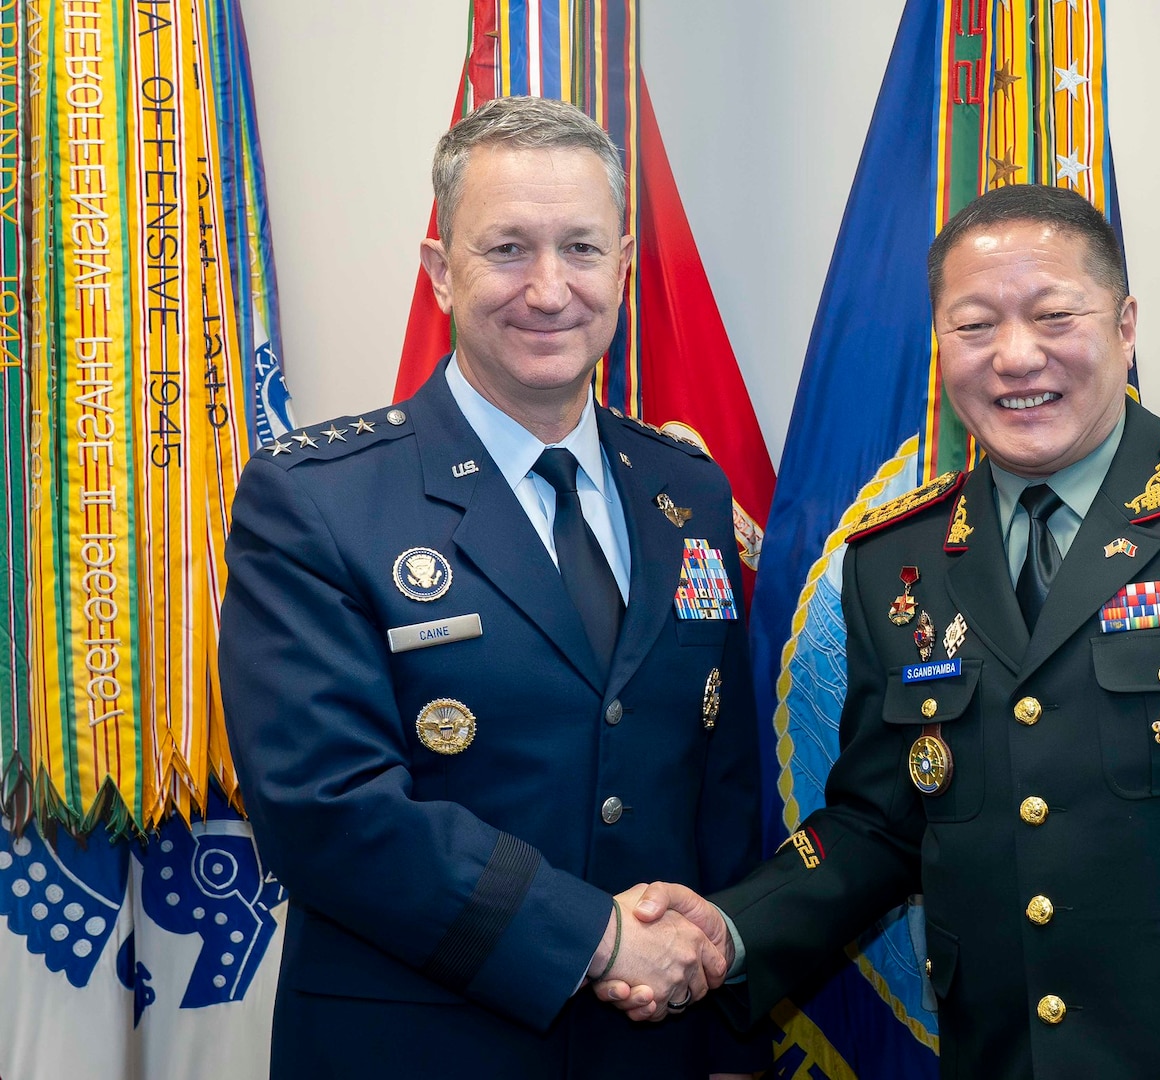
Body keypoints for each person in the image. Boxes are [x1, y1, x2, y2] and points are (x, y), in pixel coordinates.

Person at [602, 183, 1160, 1078]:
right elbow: (880, 825)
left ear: (1125, 326)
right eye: (974, 327)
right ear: (940, 347)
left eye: (1055, 315)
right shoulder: (897, 561)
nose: (1015, 356)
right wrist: (730, 928)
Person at [218, 95, 763, 1080]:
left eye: (583, 249)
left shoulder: (686, 488)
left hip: (653, 1049)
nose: (550, 289)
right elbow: (326, 809)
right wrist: (597, 936)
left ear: (625, 265)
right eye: (508, 248)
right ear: (440, 273)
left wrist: (726, 1022)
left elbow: (720, 784)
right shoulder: (316, 502)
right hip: (418, 1046)